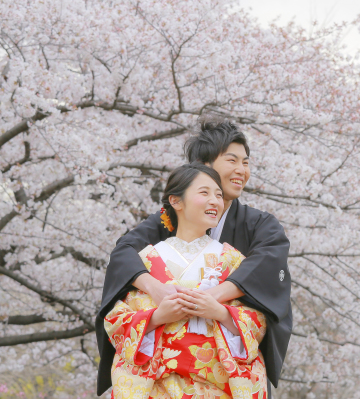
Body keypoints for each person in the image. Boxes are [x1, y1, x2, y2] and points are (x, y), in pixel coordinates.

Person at [97, 119, 291, 397]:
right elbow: (123, 255)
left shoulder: (260, 225)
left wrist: (213, 299)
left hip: (223, 378)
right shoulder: (164, 223)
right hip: (161, 380)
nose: (242, 170)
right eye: (232, 160)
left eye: (246, 162)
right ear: (203, 164)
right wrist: (157, 290)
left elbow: (268, 266)